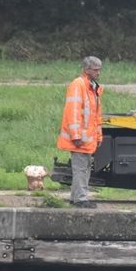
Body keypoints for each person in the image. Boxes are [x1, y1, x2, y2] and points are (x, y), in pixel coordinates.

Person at [57, 56, 104, 208]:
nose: (98, 73)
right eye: (95, 70)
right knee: (81, 169)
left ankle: (77, 197)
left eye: (99, 70)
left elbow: (95, 116)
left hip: (87, 139)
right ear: (86, 70)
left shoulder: (92, 87)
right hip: (80, 139)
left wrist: (98, 136)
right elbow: (73, 112)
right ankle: (80, 199)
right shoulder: (79, 85)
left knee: (83, 169)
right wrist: (76, 135)